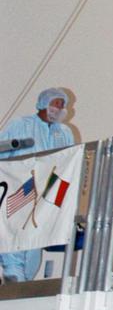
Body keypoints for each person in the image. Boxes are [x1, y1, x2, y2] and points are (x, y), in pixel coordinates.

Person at [0, 86, 74, 282]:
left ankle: (25, 281)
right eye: (56, 103)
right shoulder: (21, 125)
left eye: (62, 105)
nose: (60, 108)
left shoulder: (64, 132)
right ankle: (13, 275)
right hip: (21, 188)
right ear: (43, 103)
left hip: (46, 194)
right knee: (14, 233)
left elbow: (69, 160)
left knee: (35, 239)